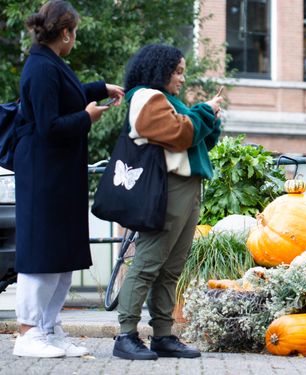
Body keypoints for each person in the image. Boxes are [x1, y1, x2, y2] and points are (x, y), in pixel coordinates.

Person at [13, 0, 124, 358]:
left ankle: (48, 328)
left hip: (57, 174)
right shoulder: (42, 68)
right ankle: (28, 333)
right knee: (42, 252)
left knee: (60, 253)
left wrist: (98, 88)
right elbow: (48, 125)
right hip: (44, 175)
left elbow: (67, 96)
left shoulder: (50, 63)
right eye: (74, 32)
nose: (74, 38)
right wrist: (87, 118)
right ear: (65, 33)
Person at [112, 44, 223, 360]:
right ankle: (126, 335)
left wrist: (208, 116)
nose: (182, 79)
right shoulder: (146, 97)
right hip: (168, 187)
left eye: (183, 72)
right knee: (148, 262)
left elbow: (198, 139)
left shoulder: (167, 100)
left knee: (171, 267)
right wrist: (203, 111)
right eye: (177, 72)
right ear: (159, 71)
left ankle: (163, 334)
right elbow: (180, 133)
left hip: (186, 186)